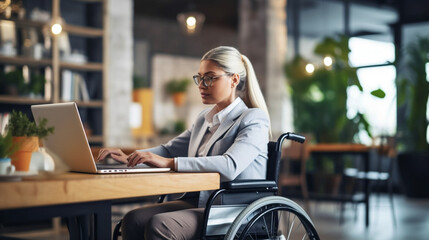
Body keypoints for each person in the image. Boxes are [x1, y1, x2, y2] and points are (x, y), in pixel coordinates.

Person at [97, 46, 271, 240]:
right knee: (133, 219)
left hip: (233, 209)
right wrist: (131, 157)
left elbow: (230, 166)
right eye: (200, 77)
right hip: (200, 200)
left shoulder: (253, 119)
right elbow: (169, 150)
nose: (201, 85)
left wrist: (171, 163)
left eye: (210, 77)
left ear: (234, 79)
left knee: (160, 225)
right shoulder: (204, 118)